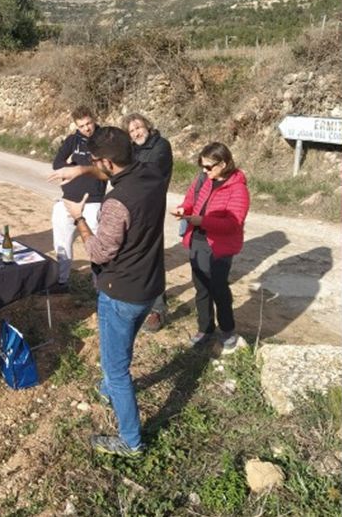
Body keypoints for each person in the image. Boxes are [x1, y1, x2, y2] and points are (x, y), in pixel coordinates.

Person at [61, 126, 167, 457]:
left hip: (120, 291)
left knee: (116, 369)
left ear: (107, 162)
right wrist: (83, 170)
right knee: (122, 346)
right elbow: (112, 171)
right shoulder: (153, 175)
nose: (95, 165)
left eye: (96, 161)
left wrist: (79, 219)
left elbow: (98, 252)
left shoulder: (116, 203)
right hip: (149, 287)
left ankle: (131, 441)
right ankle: (108, 389)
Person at [173, 142, 250, 353]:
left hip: (219, 247)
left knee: (218, 289)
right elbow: (191, 199)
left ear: (223, 164)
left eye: (208, 167)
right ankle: (205, 328)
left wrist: (202, 221)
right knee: (201, 287)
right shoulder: (205, 180)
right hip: (197, 240)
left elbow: (233, 224)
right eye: (202, 166)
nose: (205, 171)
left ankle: (227, 330)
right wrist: (183, 209)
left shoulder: (238, 189)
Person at [124, 113, 174, 332]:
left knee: (153, 257)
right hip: (131, 206)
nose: (137, 132)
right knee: (133, 254)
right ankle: (136, 300)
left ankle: (157, 310)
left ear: (147, 126)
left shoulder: (161, 146)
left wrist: (125, 172)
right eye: (132, 130)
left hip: (152, 208)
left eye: (139, 127)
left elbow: (150, 171)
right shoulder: (131, 150)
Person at [50, 106, 105, 292]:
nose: (87, 128)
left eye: (89, 123)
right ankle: (61, 281)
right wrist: (74, 165)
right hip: (68, 199)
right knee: (61, 242)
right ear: (76, 126)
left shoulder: (105, 139)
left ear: (94, 119)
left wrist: (80, 167)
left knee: (96, 245)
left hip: (93, 200)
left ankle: (100, 286)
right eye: (81, 126)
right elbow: (57, 164)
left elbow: (108, 168)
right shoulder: (72, 140)